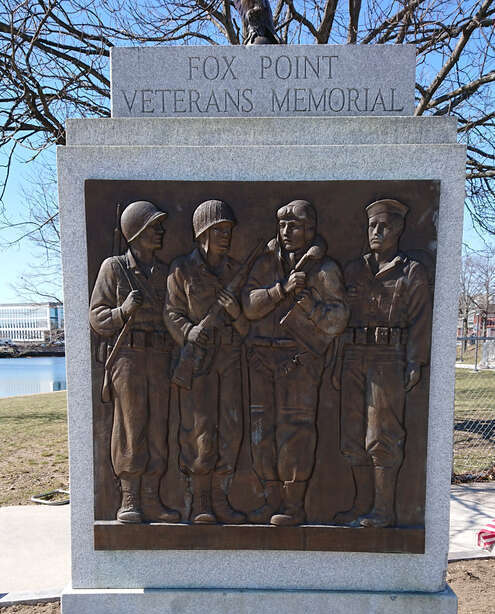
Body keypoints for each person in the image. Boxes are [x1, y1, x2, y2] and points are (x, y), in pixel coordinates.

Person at [242, 199, 348, 525]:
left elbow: (338, 318)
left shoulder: (324, 269)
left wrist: (311, 306)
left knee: (295, 431)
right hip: (262, 358)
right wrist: (280, 290)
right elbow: (249, 306)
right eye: (283, 225)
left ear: (310, 230)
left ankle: (293, 504)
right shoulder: (264, 263)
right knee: (261, 430)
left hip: (299, 361)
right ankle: (269, 498)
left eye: (295, 226)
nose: (287, 231)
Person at [334, 198, 432, 527]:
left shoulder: (411, 271)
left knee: (382, 435)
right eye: (372, 226)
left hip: (388, 358)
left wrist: (415, 361)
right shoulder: (354, 269)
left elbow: (420, 320)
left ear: (399, 230)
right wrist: (336, 364)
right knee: (351, 435)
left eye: (384, 226)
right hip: (352, 356)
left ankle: (383, 510)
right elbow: (340, 319)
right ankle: (361, 505)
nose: (376, 232)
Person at [89, 200, 180, 524]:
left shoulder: (165, 272)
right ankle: (129, 497)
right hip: (127, 357)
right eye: (155, 227)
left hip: (160, 357)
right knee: (131, 425)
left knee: (158, 427)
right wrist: (123, 310)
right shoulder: (114, 268)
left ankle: (153, 497)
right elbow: (97, 318)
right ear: (137, 232)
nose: (161, 231)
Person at [164, 199, 249, 525]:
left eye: (228, 230)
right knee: (198, 430)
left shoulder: (235, 271)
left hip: (229, 358)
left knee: (231, 428)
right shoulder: (181, 270)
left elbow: (246, 327)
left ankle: (221, 498)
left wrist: (235, 313)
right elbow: (171, 312)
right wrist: (189, 331)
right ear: (202, 234)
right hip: (198, 360)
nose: (226, 236)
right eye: (219, 230)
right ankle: (200, 501)